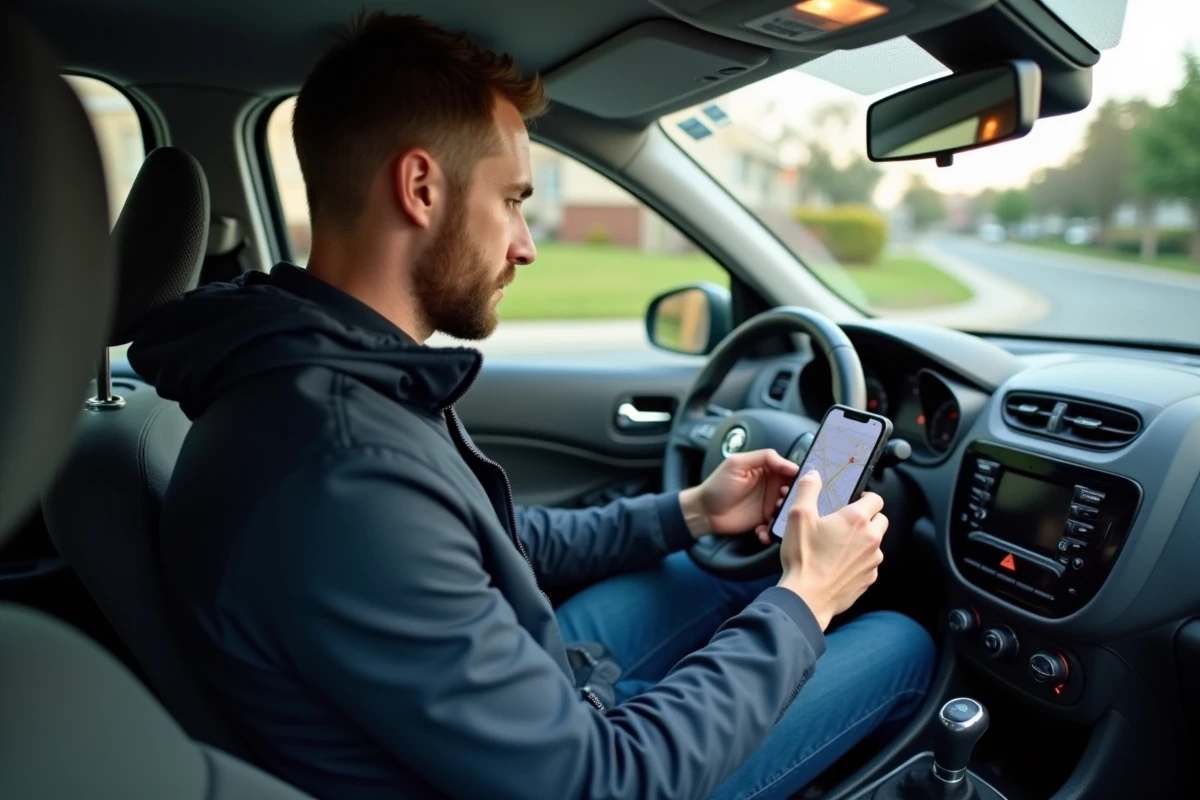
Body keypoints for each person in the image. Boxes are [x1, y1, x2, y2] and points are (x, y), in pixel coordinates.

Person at [129, 12, 934, 800]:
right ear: (419, 188)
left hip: (510, 706)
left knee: (722, 581)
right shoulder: (342, 470)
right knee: (899, 639)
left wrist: (689, 511)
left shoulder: (330, 372)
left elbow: (488, 541)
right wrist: (808, 597)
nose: (527, 243)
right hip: (573, 765)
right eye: (513, 199)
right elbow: (602, 780)